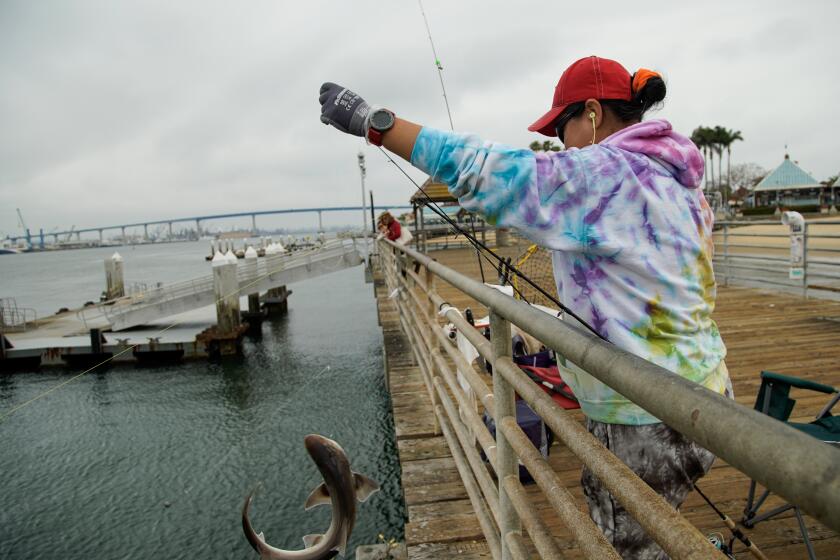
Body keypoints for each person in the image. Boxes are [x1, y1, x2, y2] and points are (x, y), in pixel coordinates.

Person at [318, 55, 731, 559]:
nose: (560, 142)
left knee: (627, 544)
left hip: (645, 414)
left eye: (563, 125)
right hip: (704, 395)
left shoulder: (605, 173)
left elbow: (489, 171)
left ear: (594, 113)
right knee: (654, 527)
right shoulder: (673, 175)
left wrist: (374, 123)